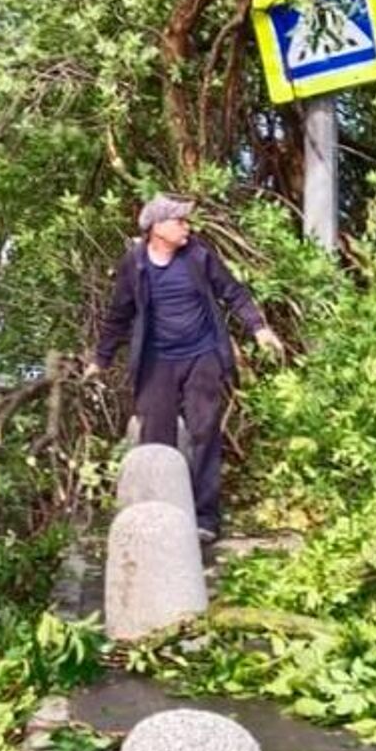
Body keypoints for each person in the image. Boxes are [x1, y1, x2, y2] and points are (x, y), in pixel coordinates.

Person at [89, 194, 284, 543]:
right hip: (157, 361)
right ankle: (161, 516)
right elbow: (119, 315)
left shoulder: (198, 254)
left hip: (202, 355)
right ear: (157, 228)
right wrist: (100, 360)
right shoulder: (135, 265)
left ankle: (206, 518)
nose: (187, 228)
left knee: (205, 431)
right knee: (156, 439)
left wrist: (258, 327)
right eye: (180, 222)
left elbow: (233, 292)